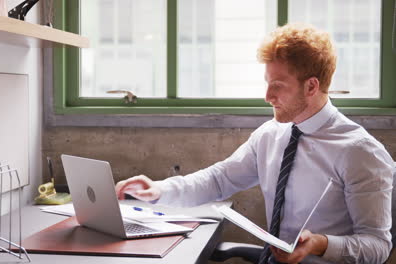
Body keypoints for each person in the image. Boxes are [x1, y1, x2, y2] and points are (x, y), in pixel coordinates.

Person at [115, 23, 394, 264]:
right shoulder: (271, 135)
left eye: (278, 85)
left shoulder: (360, 152)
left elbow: (378, 247)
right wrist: (158, 190)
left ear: (311, 87)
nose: (267, 96)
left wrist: (321, 244)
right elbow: (219, 180)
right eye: (266, 82)